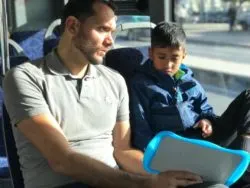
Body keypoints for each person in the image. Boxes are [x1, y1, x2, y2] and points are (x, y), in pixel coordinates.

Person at [3, 1, 228, 188]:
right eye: (102, 30)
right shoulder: (25, 78)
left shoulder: (115, 80)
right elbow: (63, 160)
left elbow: (123, 152)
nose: (111, 41)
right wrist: (146, 184)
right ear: (72, 26)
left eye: (112, 31)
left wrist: (170, 174)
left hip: (117, 180)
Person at [130, 21, 250, 157]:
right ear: (151, 54)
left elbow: (206, 111)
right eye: (161, 57)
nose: (168, 64)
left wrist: (207, 121)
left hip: (203, 140)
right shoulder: (141, 85)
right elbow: (141, 126)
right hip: (171, 149)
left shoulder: (191, 83)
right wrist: (152, 158)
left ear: (184, 56)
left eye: (174, 58)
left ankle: (243, 157)